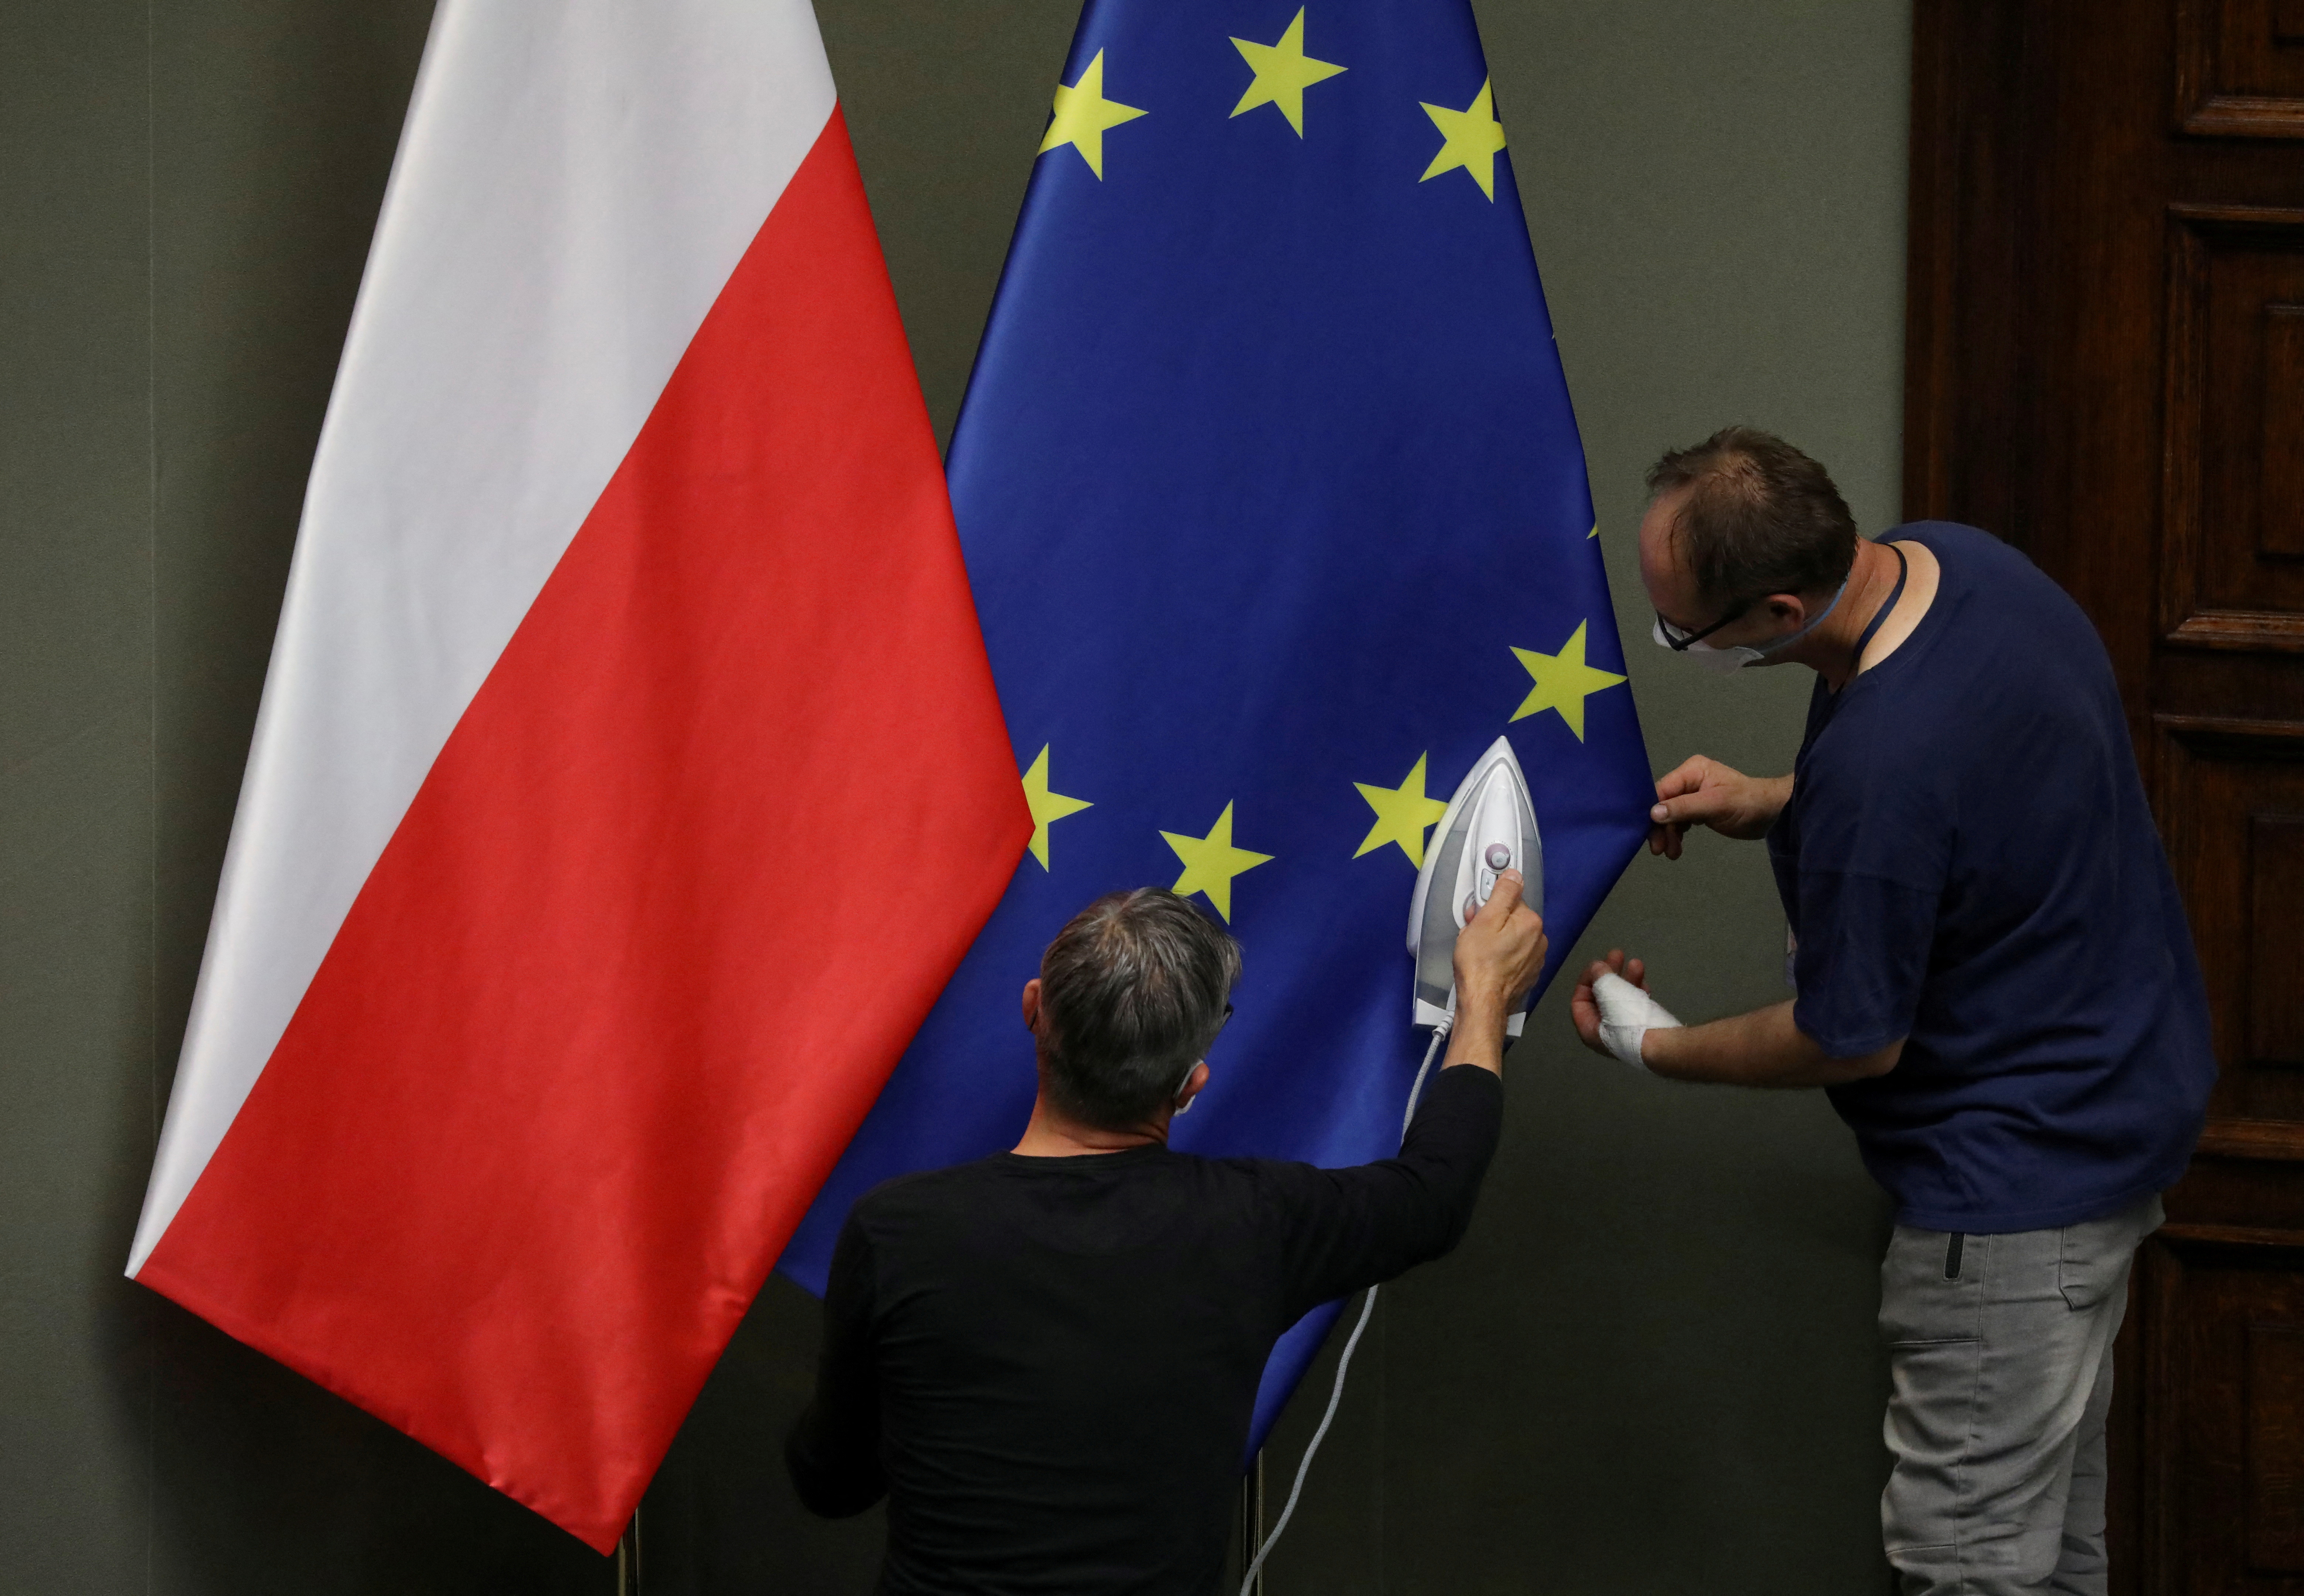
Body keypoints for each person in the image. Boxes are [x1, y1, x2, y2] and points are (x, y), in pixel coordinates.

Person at [1571, 426, 2215, 1595]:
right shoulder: (1963, 565)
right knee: (2057, 1565)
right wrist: (1771, 800)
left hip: (2010, 1202)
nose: (1674, 645)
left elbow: (1853, 1039)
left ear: (1776, 609)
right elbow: (1972, 810)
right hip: (2111, 1119)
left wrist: (1650, 1045)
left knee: (1965, 1568)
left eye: (1682, 630)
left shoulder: (1885, 768)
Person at [787, 877, 1547, 1595]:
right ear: (1192, 1082)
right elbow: (1435, 1194)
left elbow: (830, 1482)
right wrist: (1483, 997)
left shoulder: (895, 1232)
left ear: (1034, 1009)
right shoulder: (1254, 1224)